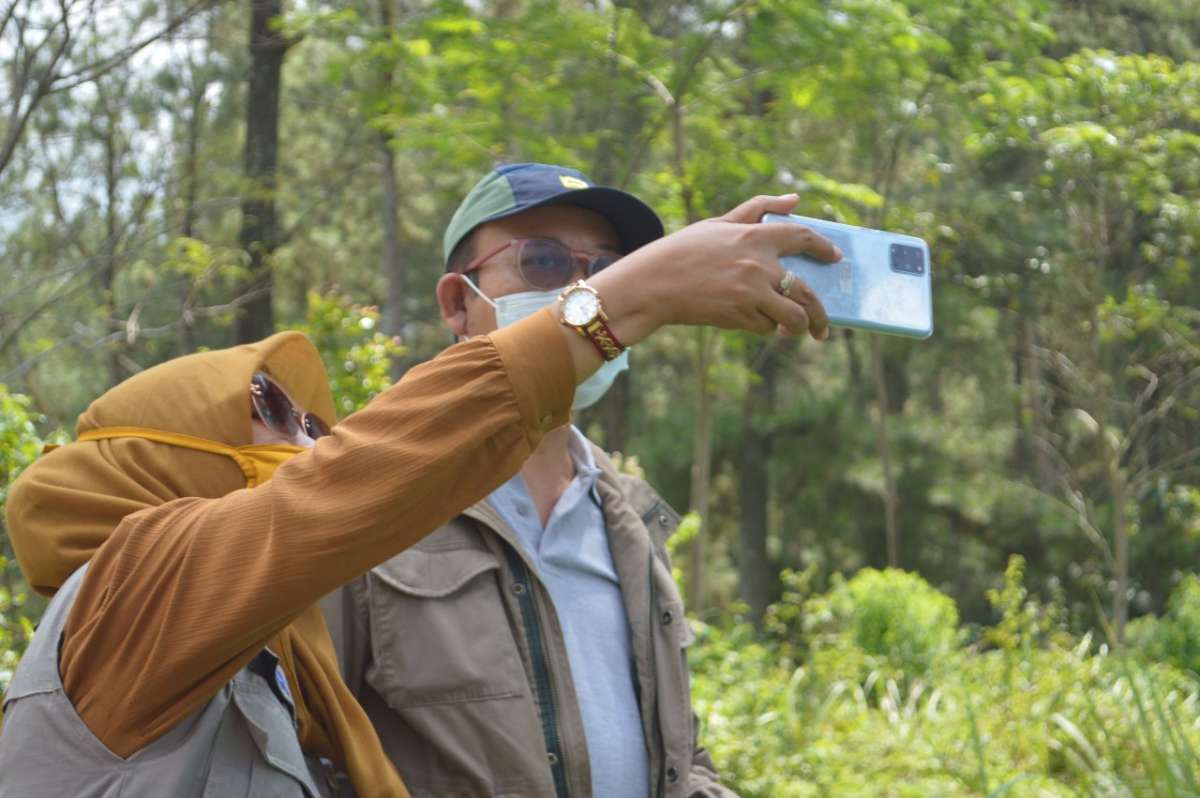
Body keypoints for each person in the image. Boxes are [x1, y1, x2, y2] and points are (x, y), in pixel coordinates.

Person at [0, 179, 835, 798]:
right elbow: (354, 484)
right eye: (271, 405)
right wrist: (624, 299)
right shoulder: (137, 599)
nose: (313, 434)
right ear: (161, 456)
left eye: (318, 427)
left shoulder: (263, 660)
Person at [322, 163, 839, 797]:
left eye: (605, 271)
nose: (580, 287)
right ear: (458, 303)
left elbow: (676, 758)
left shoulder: (632, 521)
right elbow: (309, 751)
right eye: (541, 261)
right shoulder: (370, 501)